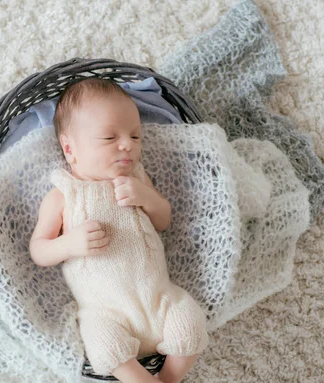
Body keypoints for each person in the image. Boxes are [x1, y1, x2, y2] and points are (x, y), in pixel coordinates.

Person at [29, 78, 208, 383]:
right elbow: (39, 249)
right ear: (70, 148)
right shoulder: (64, 194)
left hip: (160, 299)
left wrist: (147, 197)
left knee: (191, 325)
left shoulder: (137, 177)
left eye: (136, 136)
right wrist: (69, 244)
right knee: (105, 347)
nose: (128, 145)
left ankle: (168, 378)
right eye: (110, 137)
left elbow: (163, 220)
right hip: (106, 312)